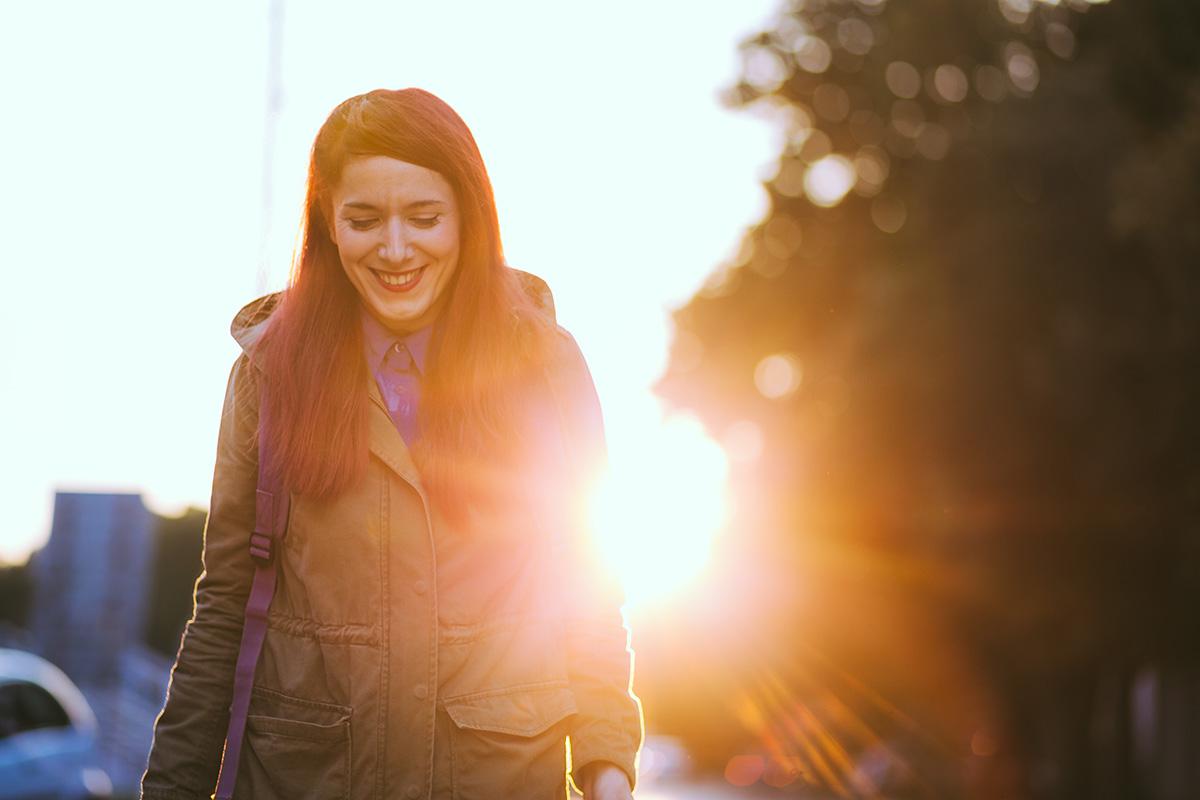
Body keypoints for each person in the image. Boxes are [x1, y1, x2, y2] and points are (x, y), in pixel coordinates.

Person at [141, 88, 643, 800]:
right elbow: (223, 605)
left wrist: (608, 770)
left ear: (470, 218)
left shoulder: (546, 366)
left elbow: (588, 592)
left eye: (426, 217)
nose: (397, 249)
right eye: (365, 219)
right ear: (329, 225)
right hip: (299, 779)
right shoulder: (267, 374)